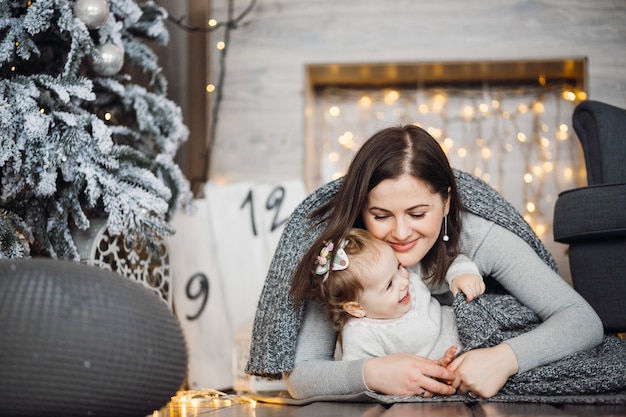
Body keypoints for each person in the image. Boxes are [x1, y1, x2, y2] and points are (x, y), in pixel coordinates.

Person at [246, 124, 603, 400]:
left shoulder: (480, 237)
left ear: (446, 203)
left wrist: (503, 358)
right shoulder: (349, 261)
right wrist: (373, 373)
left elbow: (582, 319)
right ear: (361, 211)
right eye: (381, 215)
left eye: (418, 213)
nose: (401, 232)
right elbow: (302, 376)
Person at [309, 227, 483, 365]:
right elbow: (372, 377)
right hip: (449, 368)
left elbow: (449, 263)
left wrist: (462, 274)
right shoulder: (361, 334)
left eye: (399, 266)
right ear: (356, 308)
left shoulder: (410, 275)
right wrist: (433, 369)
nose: (404, 282)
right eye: (389, 285)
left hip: (473, 328)